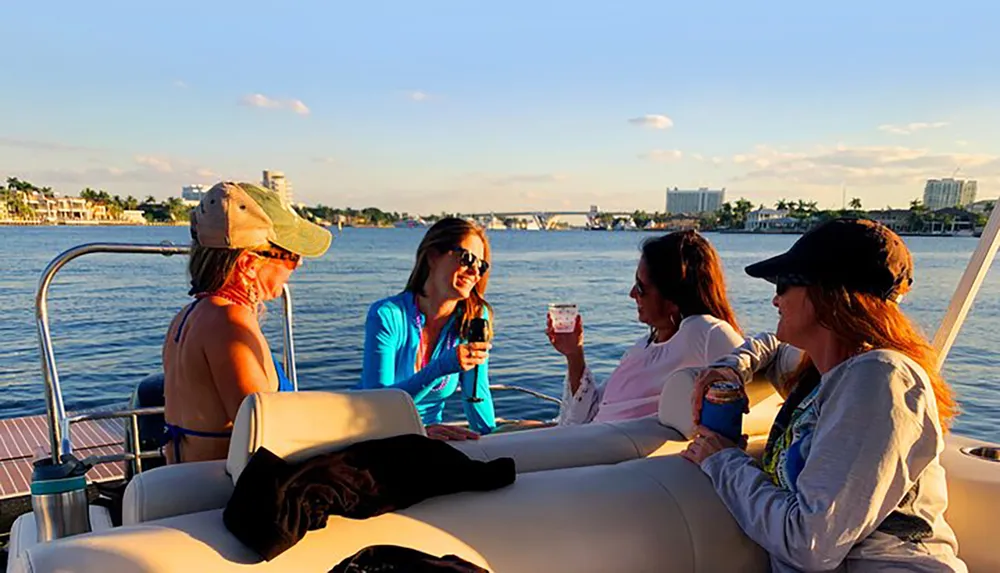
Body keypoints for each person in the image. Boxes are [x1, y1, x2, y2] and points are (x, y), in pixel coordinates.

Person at [682, 218, 967, 572]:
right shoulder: (822, 370)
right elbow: (769, 344)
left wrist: (723, 461)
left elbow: (811, 544)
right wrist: (731, 368)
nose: (775, 298)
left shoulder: (880, 379)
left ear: (829, 293)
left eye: (784, 284)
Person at [162, 182, 332, 463]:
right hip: (223, 490)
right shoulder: (229, 323)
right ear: (249, 265)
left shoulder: (189, 316)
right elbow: (266, 437)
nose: (298, 264)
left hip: (194, 478)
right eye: (290, 256)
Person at [548, 230, 744, 425]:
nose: (632, 293)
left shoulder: (705, 332)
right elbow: (588, 413)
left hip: (608, 452)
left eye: (641, 287)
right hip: (588, 443)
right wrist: (574, 354)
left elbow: (751, 370)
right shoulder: (644, 347)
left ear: (674, 296)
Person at [358, 217, 495, 440]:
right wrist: (440, 367)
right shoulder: (387, 315)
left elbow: (476, 395)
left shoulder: (474, 317)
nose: (474, 271)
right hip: (378, 435)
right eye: (467, 258)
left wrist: (494, 442)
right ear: (433, 256)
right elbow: (379, 403)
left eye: (481, 265)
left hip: (432, 440)